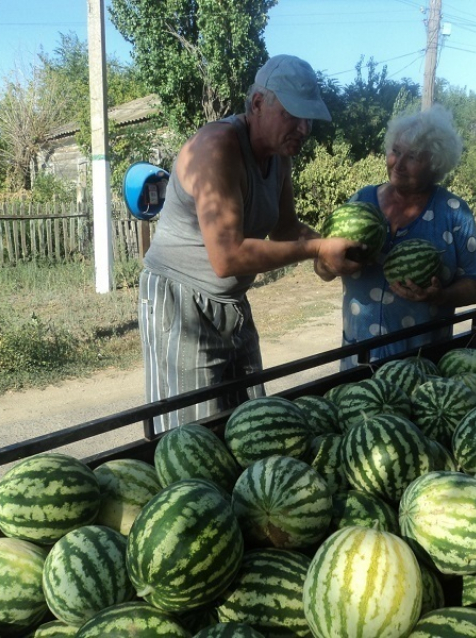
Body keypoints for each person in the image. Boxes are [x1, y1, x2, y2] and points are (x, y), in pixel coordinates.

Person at [139, 54, 363, 434]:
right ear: (258, 103)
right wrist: (314, 250)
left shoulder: (278, 156)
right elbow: (228, 257)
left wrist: (329, 251)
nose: (304, 127)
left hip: (231, 305)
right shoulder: (218, 146)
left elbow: (286, 229)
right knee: (192, 436)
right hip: (181, 303)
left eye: (309, 118)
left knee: (253, 426)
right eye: (294, 114)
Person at [316, 105, 476, 369]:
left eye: (413, 157)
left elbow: (474, 286)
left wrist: (440, 296)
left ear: (435, 163)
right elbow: (322, 267)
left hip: (422, 363)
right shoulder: (362, 201)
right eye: (395, 151)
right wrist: (327, 264)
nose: (399, 164)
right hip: (359, 357)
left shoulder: (454, 213)